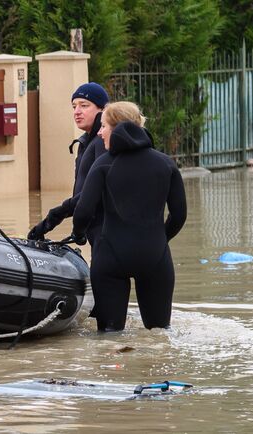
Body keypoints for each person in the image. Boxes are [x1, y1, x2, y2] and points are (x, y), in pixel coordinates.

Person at [71, 102, 187, 332]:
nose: (100, 132)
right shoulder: (165, 163)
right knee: (159, 333)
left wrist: (79, 234)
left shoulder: (102, 164)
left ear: (117, 128)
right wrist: (157, 238)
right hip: (155, 256)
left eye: (103, 126)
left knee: (110, 337)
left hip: (110, 257)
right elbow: (179, 215)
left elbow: (83, 212)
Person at [27, 82, 109, 246]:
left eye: (84, 105)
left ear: (102, 109)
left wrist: (54, 216)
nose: (77, 112)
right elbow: (84, 196)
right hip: (95, 230)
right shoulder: (87, 142)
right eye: (74, 106)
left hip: (106, 232)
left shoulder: (102, 142)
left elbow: (95, 192)